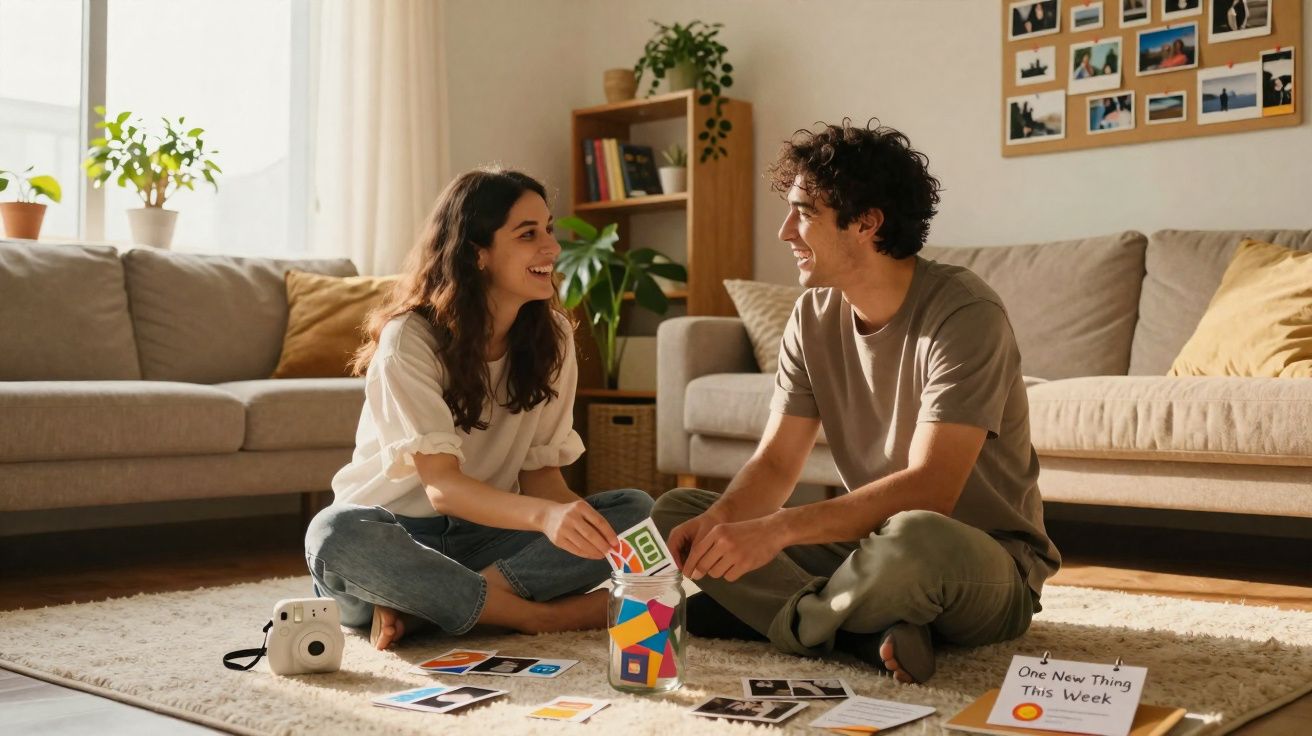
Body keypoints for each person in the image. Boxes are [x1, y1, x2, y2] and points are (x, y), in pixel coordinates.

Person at [652, 121, 1060, 685]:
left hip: (976, 561)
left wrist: (776, 532)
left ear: (867, 222)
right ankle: (866, 628)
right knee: (677, 513)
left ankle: (795, 620)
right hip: (868, 549)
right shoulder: (812, 316)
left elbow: (931, 490)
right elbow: (774, 464)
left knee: (914, 537)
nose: (784, 232)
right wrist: (721, 522)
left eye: (804, 213)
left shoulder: (965, 313)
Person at [304, 167, 654, 650]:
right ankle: (532, 618)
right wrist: (545, 520)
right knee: (332, 533)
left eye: (548, 229)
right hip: (392, 535)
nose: (551, 248)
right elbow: (443, 487)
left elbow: (542, 480)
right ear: (478, 254)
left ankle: (427, 605)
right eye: (528, 234)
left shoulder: (553, 338)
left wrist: (578, 522)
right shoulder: (410, 338)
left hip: (487, 538)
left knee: (635, 512)